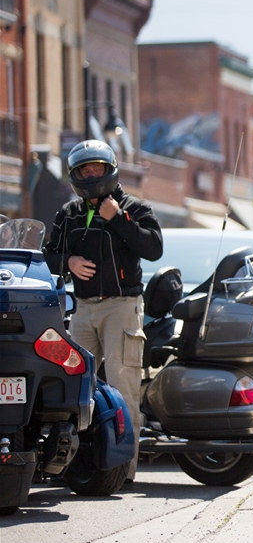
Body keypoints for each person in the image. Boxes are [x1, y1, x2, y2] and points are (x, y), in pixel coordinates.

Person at [43, 140, 163, 482]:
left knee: (124, 388)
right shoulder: (68, 213)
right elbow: (47, 255)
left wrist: (119, 218)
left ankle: (124, 472)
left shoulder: (135, 207)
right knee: (71, 387)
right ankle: (72, 469)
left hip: (121, 307)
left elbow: (153, 248)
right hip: (82, 310)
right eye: (85, 170)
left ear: (110, 170)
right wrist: (68, 262)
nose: (91, 174)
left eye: (97, 168)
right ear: (75, 175)